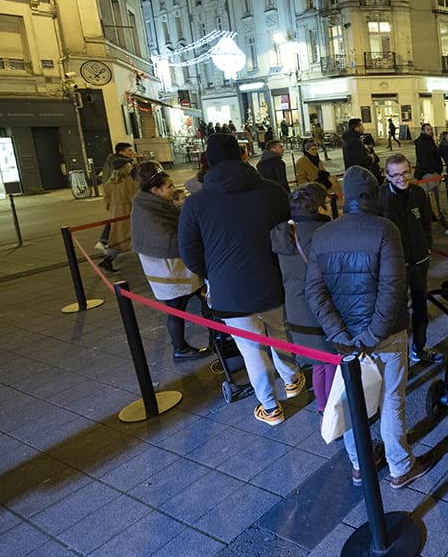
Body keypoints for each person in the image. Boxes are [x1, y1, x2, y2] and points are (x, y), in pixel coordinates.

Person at [304, 165, 436, 489]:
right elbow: (393, 287)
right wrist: (374, 333)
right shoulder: (384, 229)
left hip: (346, 339)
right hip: (386, 335)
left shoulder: (322, 235)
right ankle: (400, 465)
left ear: (345, 197)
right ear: (373, 194)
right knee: (392, 399)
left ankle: (360, 463)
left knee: (354, 402)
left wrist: (339, 334)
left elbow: (314, 292)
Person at [178, 133, 305, 427]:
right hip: (271, 279)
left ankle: (271, 407)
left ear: (208, 162)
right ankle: (292, 379)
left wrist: (212, 273)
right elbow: (289, 234)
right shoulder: (272, 191)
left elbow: (189, 253)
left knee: (251, 349)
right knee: (279, 332)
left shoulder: (196, 204)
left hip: (229, 291)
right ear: (243, 156)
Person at [131, 162, 211, 361]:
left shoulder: (152, 203)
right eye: (168, 186)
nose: (173, 189)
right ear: (155, 190)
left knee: (194, 299)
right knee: (176, 307)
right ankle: (180, 348)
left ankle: (210, 338)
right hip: (167, 269)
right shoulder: (148, 211)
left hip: (172, 267)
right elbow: (166, 239)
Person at [271, 184, 334, 412]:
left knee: (319, 363)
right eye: (327, 203)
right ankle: (333, 413)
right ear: (318, 208)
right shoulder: (323, 233)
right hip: (322, 307)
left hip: (297, 309)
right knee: (333, 362)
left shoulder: (283, 233)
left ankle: (323, 407)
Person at [379, 154, 442, 365]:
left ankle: (420, 347)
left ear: (411, 170)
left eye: (405, 172)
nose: (401, 178)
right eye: (395, 174)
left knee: (420, 306)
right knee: (398, 311)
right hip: (396, 266)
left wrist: (427, 246)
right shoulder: (381, 200)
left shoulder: (417, 193)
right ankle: (400, 354)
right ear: (387, 176)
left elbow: (426, 223)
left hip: (419, 261)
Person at [95, 142, 136, 251]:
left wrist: (109, 203)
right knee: (120, 229)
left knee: (116, 226)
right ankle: (109, 251)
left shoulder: (117, 169)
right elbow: (134, 192)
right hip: (123, 205)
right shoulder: (118, 167)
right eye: (129, 150)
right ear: (121, 152)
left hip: (116, 204)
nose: (131, 153)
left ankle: (105, 242)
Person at [98, 156, 136, 273]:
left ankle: (108, 259)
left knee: (118, 235)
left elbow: (106, 199)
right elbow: (134, 196)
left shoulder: (110, 182)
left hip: (116, 211)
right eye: (127, 165)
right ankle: (108, 259)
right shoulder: (128, 181)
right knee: (125, 236)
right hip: (126, 210)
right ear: (124, 168)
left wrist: (113, 207)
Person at [413, 123, 445, 224]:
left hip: (433, 172)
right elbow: (423, 159)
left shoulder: (429, 141)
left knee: (433, 195)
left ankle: (434, 214)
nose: (430, 131)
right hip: (428, 173)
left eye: (431, 129)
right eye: (428, 130)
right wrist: (433, 170)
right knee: (432, 196)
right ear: (423, 131)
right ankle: (435, 215)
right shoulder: (422, 143)